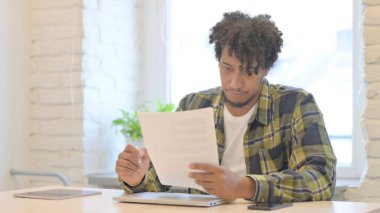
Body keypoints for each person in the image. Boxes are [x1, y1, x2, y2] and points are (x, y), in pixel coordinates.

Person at [115, 11, 336, 203]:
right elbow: (161, 180)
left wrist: (244, 186)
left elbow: (321, 179)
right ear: (218, 61)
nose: (234, 82)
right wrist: (137, 179)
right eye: (227, 68)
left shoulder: (296, 104)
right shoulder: (193, 105)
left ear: (266, 68)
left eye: (248, 70)